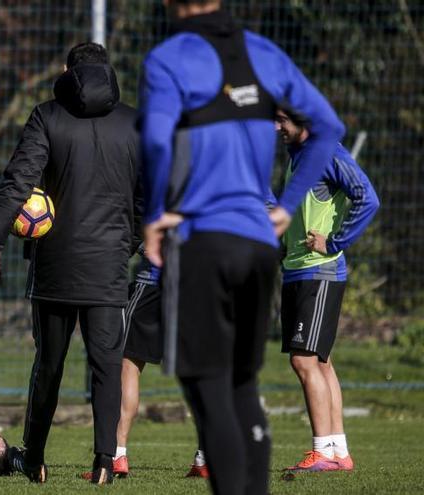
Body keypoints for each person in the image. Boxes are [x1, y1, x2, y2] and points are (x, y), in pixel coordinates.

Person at [139, 1, 347, 493]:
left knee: (208, 389)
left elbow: (155, 141)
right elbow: (328, 128)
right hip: (257, 245)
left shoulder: (169, 58)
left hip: (203, 241)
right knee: (242, 386)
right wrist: (285, 206)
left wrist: (154, 216)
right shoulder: (263, 52)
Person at [0, 42, 143, 485]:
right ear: (107, 70)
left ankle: (34, 458)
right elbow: (148, 195)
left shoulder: (47, 116)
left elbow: (18, 182)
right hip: (108, 266)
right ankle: (106, 460)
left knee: (49, 364)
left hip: (55, 265)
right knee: (106, 366)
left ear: (68, 70)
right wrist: (129, 242)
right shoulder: (134, 122)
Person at [274, 109, 379, 473]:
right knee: (320, 360)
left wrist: (334, 241)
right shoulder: (296, 158)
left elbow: (368, 198)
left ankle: (321, 451)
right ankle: (337, 451)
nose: (277, 127)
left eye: (282, 120)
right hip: (296, 273)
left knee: (303, 360)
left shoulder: (328, 153)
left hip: (320, 272)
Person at [81, 247, 209, 480]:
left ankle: (118, 454)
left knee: (127, 365)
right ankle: (204, 458)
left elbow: (136, 228)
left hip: (152, 283)